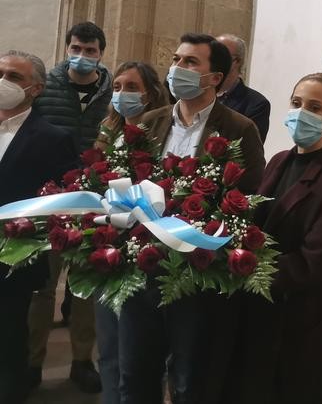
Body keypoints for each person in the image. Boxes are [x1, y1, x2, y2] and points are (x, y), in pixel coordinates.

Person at [118, 33, 265, 404]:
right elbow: (126, 182)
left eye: (190, 62)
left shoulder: (238, 128)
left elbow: (249, 199)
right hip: (143, 266)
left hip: (197, 272)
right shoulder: (149, 122)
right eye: (177, 60)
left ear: (215, 77)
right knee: (135, 372)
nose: (178, 68)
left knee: (189, 379)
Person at [215, 72, 322, 404]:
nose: (301, 112)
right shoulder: (279, 161)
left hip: (294, 320)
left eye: (314, 107)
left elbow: (315, 263)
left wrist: (249, 266)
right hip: (257, 311)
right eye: (296, 103)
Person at [29, 21, 112, 394]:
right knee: (43, 288)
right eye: (76, 48)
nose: (82, 56)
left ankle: (82, 361)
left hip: (93, 202)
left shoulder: (112, 92)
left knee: (85, 289)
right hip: (48, 199)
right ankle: (32, 362)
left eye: (90, 50)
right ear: (67, 49)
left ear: (100, 54)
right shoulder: (46, 87)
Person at [0, 50, 78, 404]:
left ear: (36, 88)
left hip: (14, 252)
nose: (3, 82)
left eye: (13, 76)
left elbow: (62, 199)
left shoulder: (52, 137)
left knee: (9, 331)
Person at [94, 62, 167, 404]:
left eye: (131, 86)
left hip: (142, 254)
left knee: (136, 354)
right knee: (108, 347)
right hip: (105, 248)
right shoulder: (107, 134)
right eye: (118, 86)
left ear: (150, 94)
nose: (123, 93)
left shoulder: (158, 137)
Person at [216, 34, 271, 142]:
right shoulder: (200, 93)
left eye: (219, 54)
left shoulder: (257, 104)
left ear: (237, 61)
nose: (213, 60)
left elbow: (249, 150)